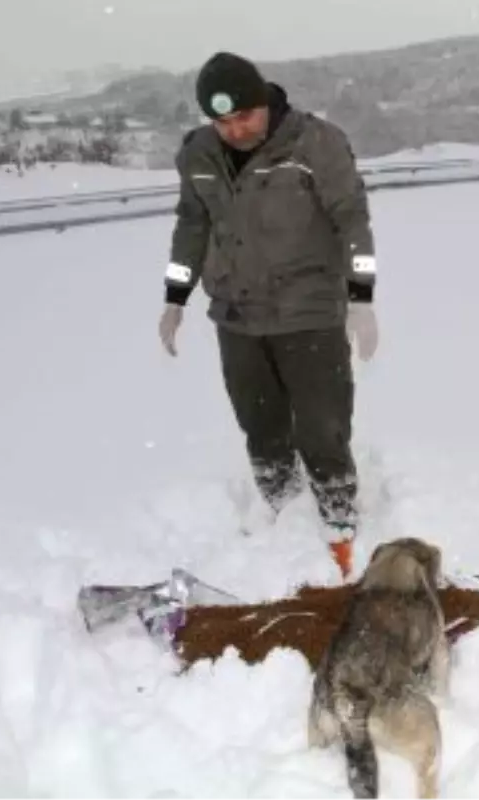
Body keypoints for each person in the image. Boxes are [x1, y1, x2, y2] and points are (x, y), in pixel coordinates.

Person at [157, 51, 379, 579]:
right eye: (223, 122)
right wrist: (175, 295)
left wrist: (362, 296)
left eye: (244, 117)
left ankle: (338, 515)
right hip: (236, 313)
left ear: (266, 102)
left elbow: (352, 218)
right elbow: (192, 226)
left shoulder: (314, 144)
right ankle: (280, 505)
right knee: (259, 422)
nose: (235, 131)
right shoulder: (199, 155)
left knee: (322, 426)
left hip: (309, 310)